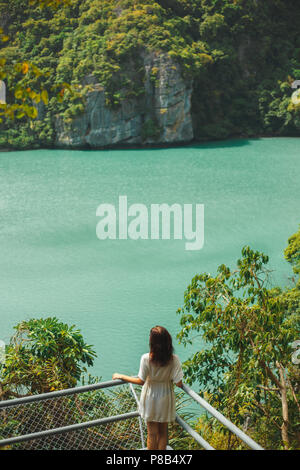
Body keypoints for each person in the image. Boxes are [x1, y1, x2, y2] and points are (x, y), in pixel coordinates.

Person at [112, 325, 183, 450]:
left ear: (152, 342)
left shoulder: (146, 358)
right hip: (166, 396)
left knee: (152, 434)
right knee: (162, 434)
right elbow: (178, 383)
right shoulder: (174, 360)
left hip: (150, 396)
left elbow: (140, 381)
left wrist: (122, 376)